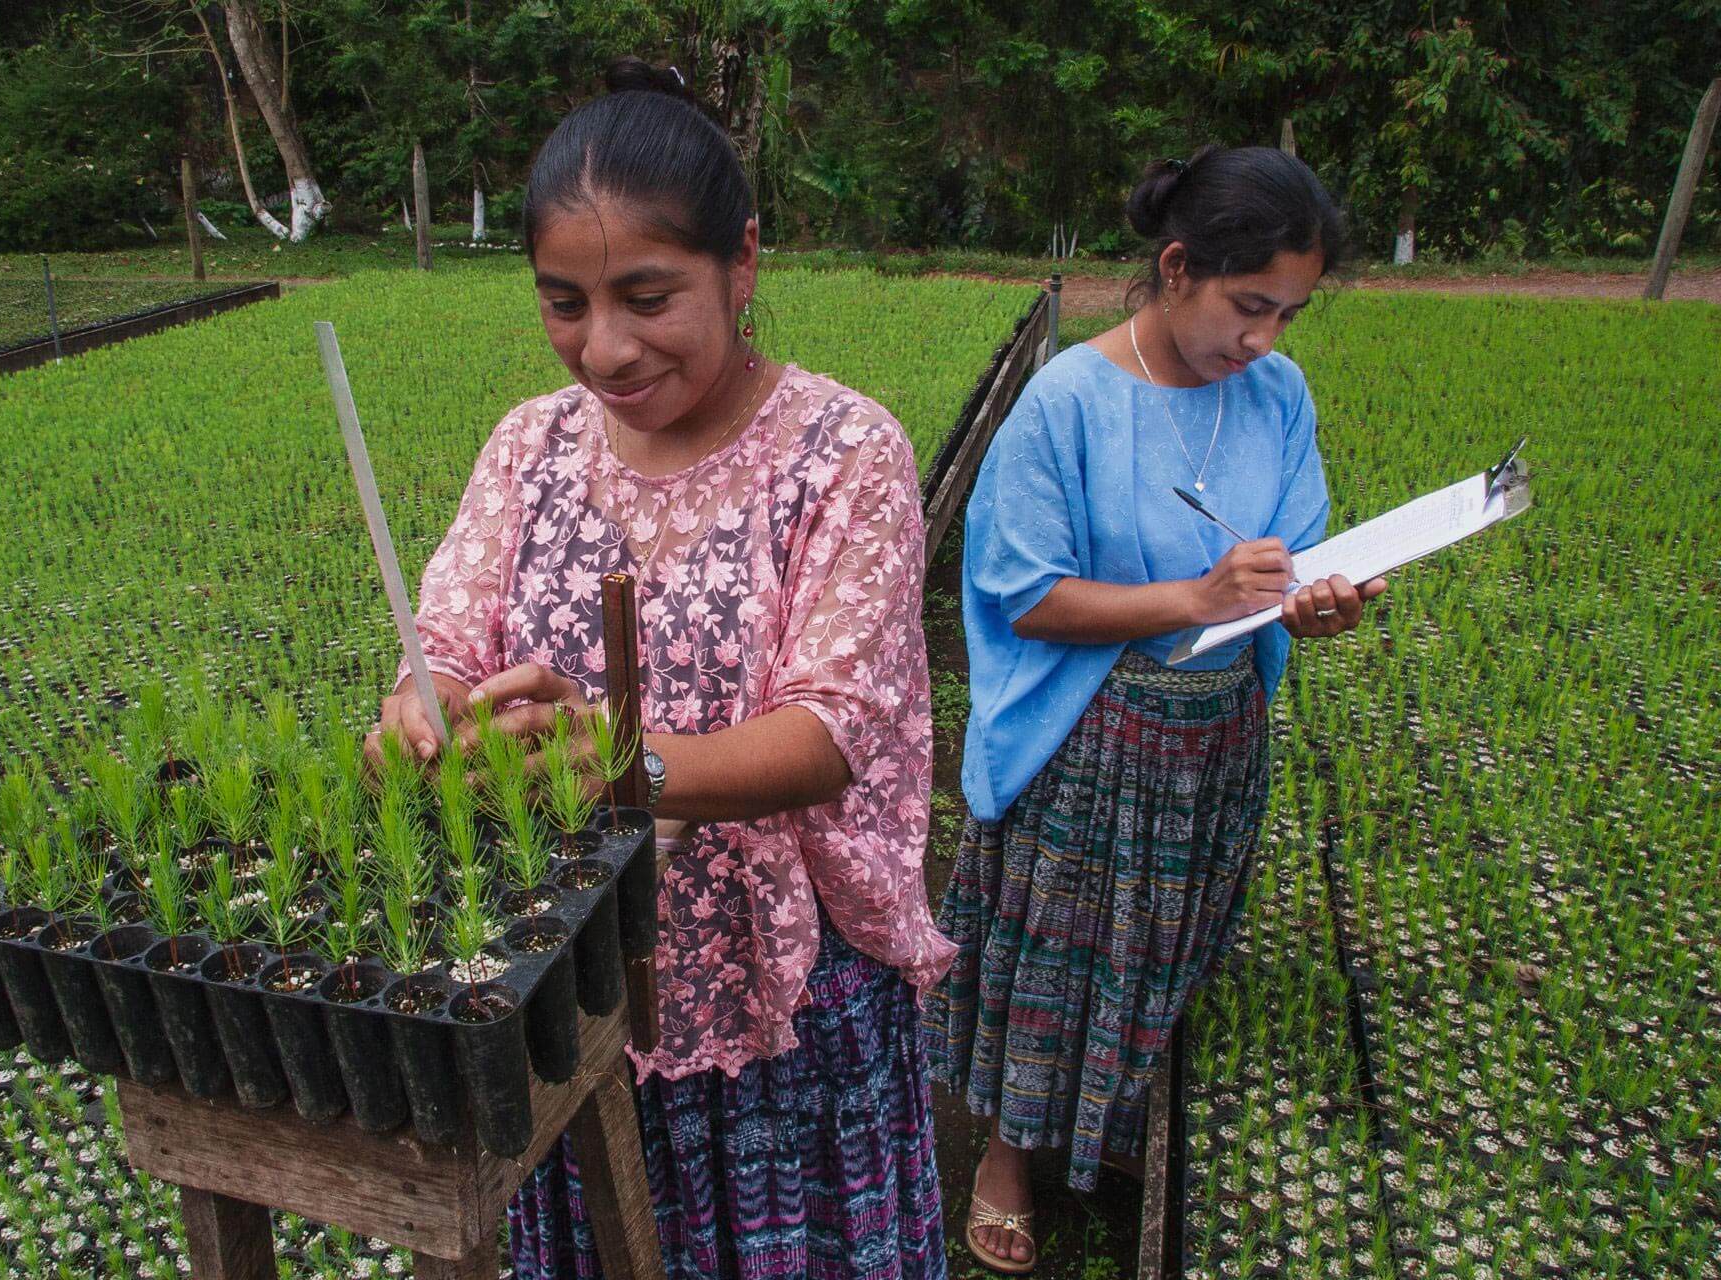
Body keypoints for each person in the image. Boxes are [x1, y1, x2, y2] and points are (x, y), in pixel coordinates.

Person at [366, 58, 955, 1280]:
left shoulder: (844, 453)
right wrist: (423, 711)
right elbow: (450, 639)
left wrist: (629, 761)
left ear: (742, 261)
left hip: (772, 987)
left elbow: (833, 727)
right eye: (564, 302)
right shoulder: (530, 446)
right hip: (566, 967)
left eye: (648, 294)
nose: (607, 347)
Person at [920, 145, 1383, 1274]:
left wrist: (1314, 600)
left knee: (1162, 945)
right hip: (1097, 741)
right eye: (1249, 304)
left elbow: (1298, 549)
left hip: (1218, 732)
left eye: (1290, 312)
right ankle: (1007, 1156)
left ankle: (1112, 1114)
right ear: (1176, 267)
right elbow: (1021, 595)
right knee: (1057, 957)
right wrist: (1193, 594)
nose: (1265, 338)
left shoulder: (1277, 393)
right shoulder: (1069, 402)